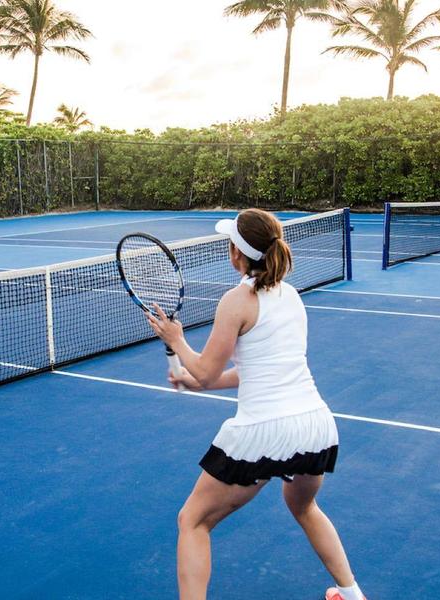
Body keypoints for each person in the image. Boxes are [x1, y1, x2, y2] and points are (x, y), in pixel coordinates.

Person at [147, 208, 366, 600]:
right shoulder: (292, 296)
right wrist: (195, 382)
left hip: (264, 431)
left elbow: (209, 371)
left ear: (238, 253)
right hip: (314, 426)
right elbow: (258, 371)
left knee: (192, 521)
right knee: (303, 506)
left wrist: (176, 340)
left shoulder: (236, 300)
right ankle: (352, 595)